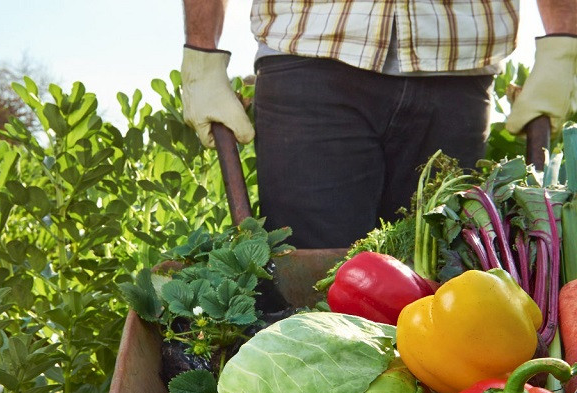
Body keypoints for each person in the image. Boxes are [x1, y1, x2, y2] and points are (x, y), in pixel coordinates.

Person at [180, 0, 577, 249]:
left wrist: (563, 41)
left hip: (456, 64)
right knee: (311, 285)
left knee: (442, 278)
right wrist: (202, 53)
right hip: (310, 56)